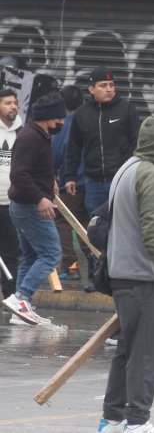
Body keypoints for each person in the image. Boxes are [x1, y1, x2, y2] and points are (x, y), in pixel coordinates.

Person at [97, 115, 154, 433]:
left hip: (124, 274)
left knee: (129, 349)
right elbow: (153, 229)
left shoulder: (127, 169)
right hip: (143, 276)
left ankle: (112, 418)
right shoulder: (151, 175)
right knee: (146, 352)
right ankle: (137, 422)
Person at [1, 93, 67, 325]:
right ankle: (21, 297)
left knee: (30, 255)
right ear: (49, 117)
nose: (62, 123)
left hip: (23, 205)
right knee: (51, 254)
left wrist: (51, 182)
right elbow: (19, 173)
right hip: (30, 207)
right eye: (60, 118)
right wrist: (40, 199)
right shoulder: (31, 137)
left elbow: (34, 169)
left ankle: (21, 309)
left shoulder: (38, 135)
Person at [64, 65, 140, 213]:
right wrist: (69, 176)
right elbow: (74, 147)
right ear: (91, 89)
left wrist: (130, 172)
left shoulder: (127, 110)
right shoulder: (82, 113)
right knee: (96, 225)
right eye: (103, 86)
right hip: (93, 183)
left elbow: (137, 143)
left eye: (111, 85)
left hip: (121, 180)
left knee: (122, 221)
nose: (109, 89)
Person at [52, 85, 91, 280]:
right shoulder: (89, 123)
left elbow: (55, 156)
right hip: (90, 183)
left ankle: (69, 264)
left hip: (69, 183)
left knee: (62, 222)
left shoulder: (61, 127)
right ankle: (94, 260)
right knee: (85, 222)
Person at [0, 88, 22, 301]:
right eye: (8, 103)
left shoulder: (22, 132)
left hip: (11, 202)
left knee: (10, 251)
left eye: (15, 102)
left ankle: (10, 295)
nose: (13, 106)